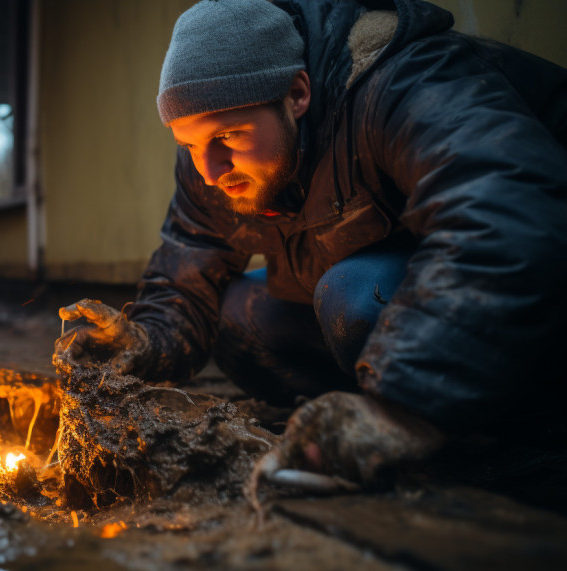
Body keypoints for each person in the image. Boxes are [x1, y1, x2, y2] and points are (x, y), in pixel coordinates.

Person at [54, 0, 567, 492]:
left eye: (226, 137)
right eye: (188, 145)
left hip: (533, 283)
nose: (208, 171)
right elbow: (188, 268)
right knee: (239, 319)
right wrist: (142, 344)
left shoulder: (400, 81)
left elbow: (504, 209)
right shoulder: (211, 165)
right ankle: (393, 395)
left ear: (297, 94)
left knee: (353, 298)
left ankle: (491, 417)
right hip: (404, 298)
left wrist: (400, 404)